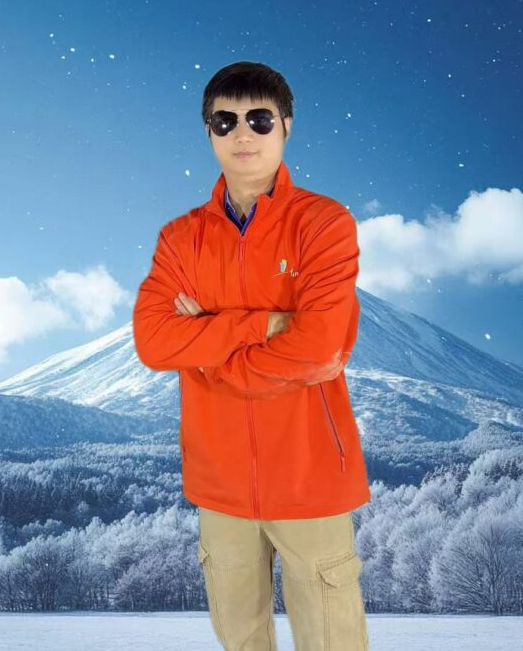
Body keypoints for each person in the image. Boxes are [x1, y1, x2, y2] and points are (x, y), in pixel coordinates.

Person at [133, 61, 370, 650]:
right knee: (239, 639)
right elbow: (153, 341)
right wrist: (264, 324)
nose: (242, 133)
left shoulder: (323, 223)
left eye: (259, 119)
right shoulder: (180, 238)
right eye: (226, 121)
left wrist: (206, 347)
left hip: (311, 477)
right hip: (219, 485)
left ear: (286, 125)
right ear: (208, 132)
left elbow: (319, 349)